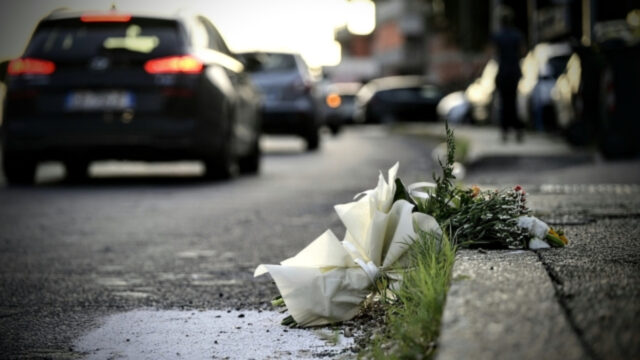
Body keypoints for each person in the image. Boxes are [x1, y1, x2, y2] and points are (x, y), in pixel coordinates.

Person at [492, 8, 525, 142]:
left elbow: (494, 55)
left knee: (504, 103)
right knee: (513, 102)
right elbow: (523, 52)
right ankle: (517, 129)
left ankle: (505, 130)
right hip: (514, 73)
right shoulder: (517, 35)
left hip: (503, 73)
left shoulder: (498, 36)